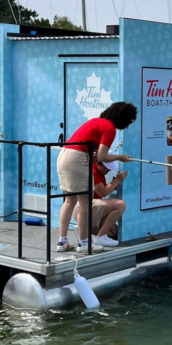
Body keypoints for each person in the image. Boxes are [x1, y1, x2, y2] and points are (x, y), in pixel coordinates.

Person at [56, 101, 137, 253]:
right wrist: (121, 157)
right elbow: (102, 156)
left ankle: (62, 242)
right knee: (84, 204)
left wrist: (91, 155)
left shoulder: (96, 121)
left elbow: (90, 150)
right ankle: (84, 244)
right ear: (123, 118)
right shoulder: (110, 128)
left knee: (69, 201)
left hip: (64, 155)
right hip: (77, 159)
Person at [91, 161, 127, 248]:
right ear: (98, 164)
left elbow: (100, 189)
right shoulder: (93, 172)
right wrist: (117, 180)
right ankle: (99, 237)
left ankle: (84, 230)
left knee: (114, 233)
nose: (109, 170)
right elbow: (103, 192)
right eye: (107, 167)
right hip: (86, 207)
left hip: (93, 207)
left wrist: (113, 184)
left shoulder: (99, 171)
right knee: (121, 204)